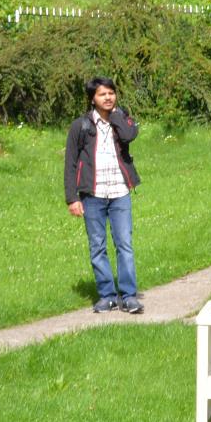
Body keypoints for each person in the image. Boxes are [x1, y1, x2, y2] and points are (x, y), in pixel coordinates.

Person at [64, 76, 143, 315]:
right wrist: (72, 198)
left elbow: (130, 135)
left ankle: (129, 296)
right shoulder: (81, 126)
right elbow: (71, 163)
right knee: (97, 246)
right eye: (102, 94)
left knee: (124, 244)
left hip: (119, 191)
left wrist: (117, 115)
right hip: (93, 194)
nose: (108, 97)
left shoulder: (121, 119)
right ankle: (107, 295)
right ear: (92, 99)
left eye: (111, 93)